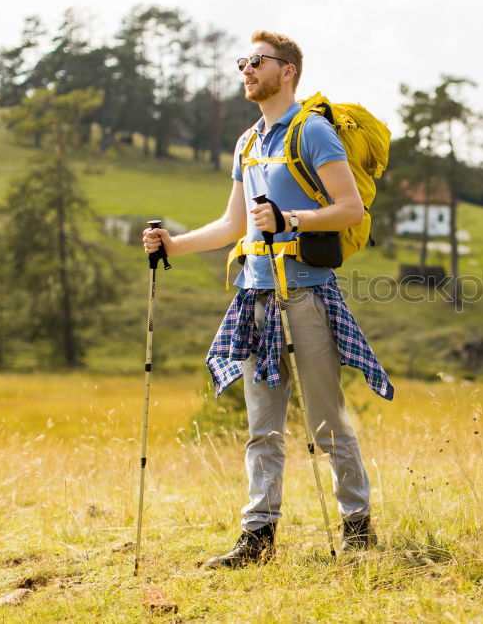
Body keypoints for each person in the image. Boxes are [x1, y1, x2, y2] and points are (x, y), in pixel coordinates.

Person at [142, 30, 393, 568]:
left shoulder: (313, 133)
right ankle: (257, 538)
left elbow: (351, 210)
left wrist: (290, 219)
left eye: (257, 61)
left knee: (326, 420)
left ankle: (357, 529)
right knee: (263, 428)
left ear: (288, 71)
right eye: (243, 62)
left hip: (306, 293)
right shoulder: (248, 143)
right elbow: (234, 223)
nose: (246, 70)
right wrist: (174, 246)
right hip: (254, 294)